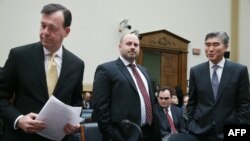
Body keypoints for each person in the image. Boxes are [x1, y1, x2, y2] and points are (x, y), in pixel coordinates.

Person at [0, 3, 85, 141]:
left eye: (52, 28)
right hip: (21, 137)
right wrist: (19, 119)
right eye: (43, 25)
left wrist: (74, 123)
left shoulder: (77, 64)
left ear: (66, 31)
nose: (44, 32)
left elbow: (76, 103)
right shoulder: (19, 56)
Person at [92, 33, 160, 141]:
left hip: (148, 133)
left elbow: (152, 103)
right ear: (120, 46)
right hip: (122, 135)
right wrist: (112, 136)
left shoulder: (145, 71)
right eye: (128, 44)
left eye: (136, 45)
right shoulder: (106, 69)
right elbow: (100, 108)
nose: (133, 47)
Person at [187, 31, 250, 141]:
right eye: (207, 45)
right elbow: (192, 102)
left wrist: (240, 129)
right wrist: (189, 124)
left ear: (226, 47)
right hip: (200, 131)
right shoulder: (196, 71)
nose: (210, 49)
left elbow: (244, 104)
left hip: (231, 130)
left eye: (216, 45)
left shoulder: (239, 71)